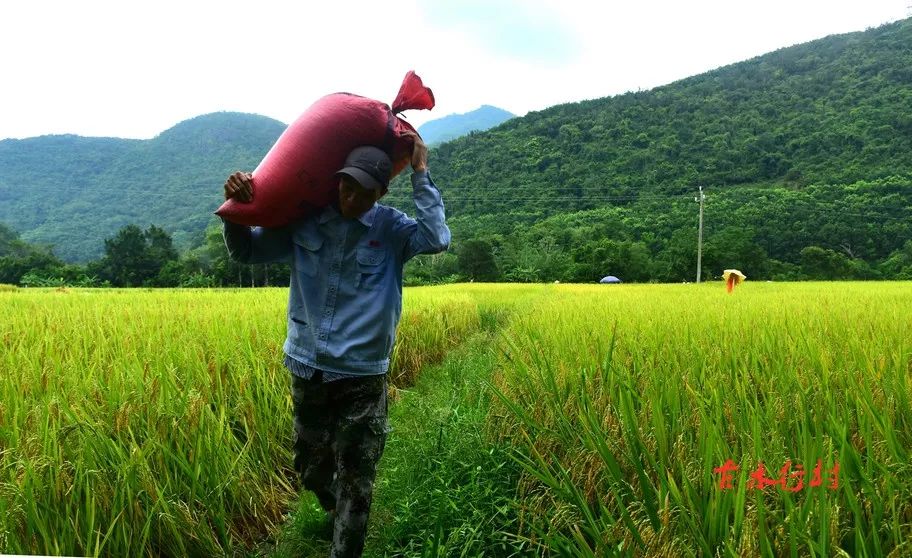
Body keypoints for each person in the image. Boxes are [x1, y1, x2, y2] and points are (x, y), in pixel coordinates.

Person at [221, 131, 449, 557]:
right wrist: (234, 210)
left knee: (357, 477)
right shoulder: (305, 221)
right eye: (346, 185)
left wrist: (421, 171)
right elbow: (246, 253)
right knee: (309, 467)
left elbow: (436, 239)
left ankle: (347, 531)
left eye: (362, 192)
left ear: (380, 193)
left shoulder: (393, 229)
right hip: (308, 365)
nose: (350, 197)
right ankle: (335, 510)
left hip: (362, 373)